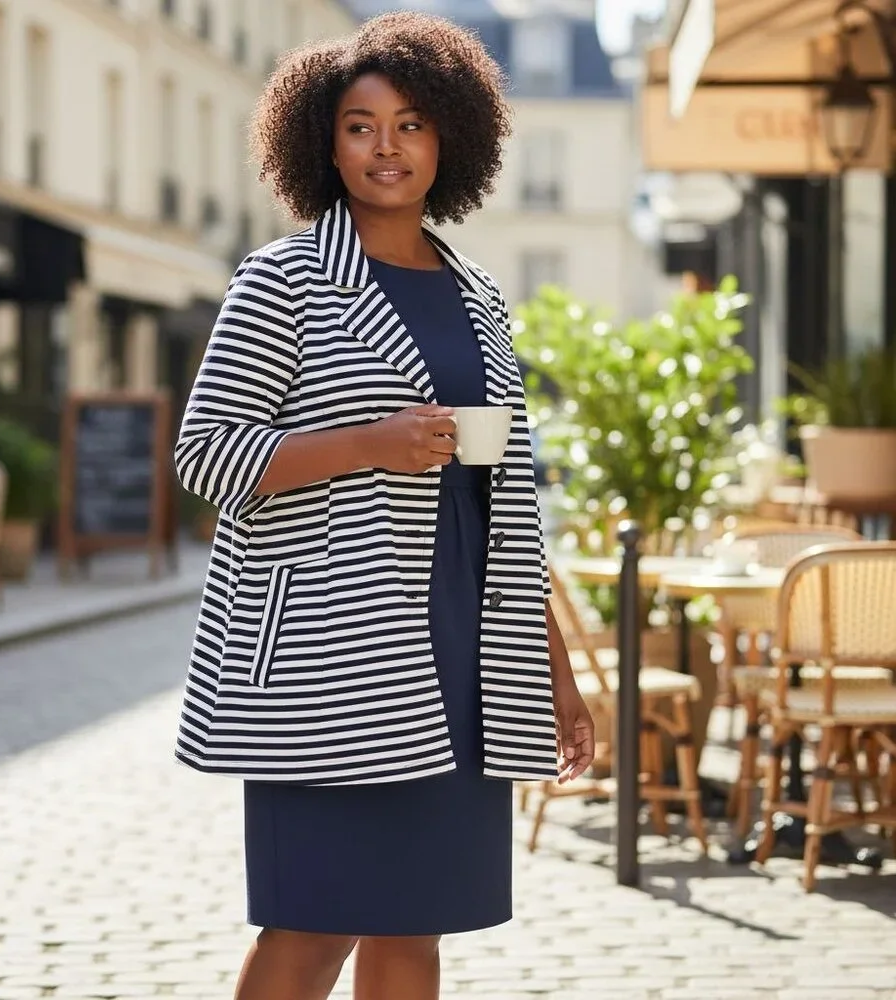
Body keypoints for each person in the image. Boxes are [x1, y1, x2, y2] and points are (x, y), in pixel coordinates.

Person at [173, 12, 595, 1000]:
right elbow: (205, 454)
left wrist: (557, 672)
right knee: (309, 927)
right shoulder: (282, 280)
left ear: (449, 136)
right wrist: (369, 445)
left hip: (461, 655)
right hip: (329, 656)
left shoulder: (479, 294)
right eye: (360, 126)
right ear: (323, 140)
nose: (385, 147)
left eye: (409, 124)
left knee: (416, 929)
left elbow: (507, 510)